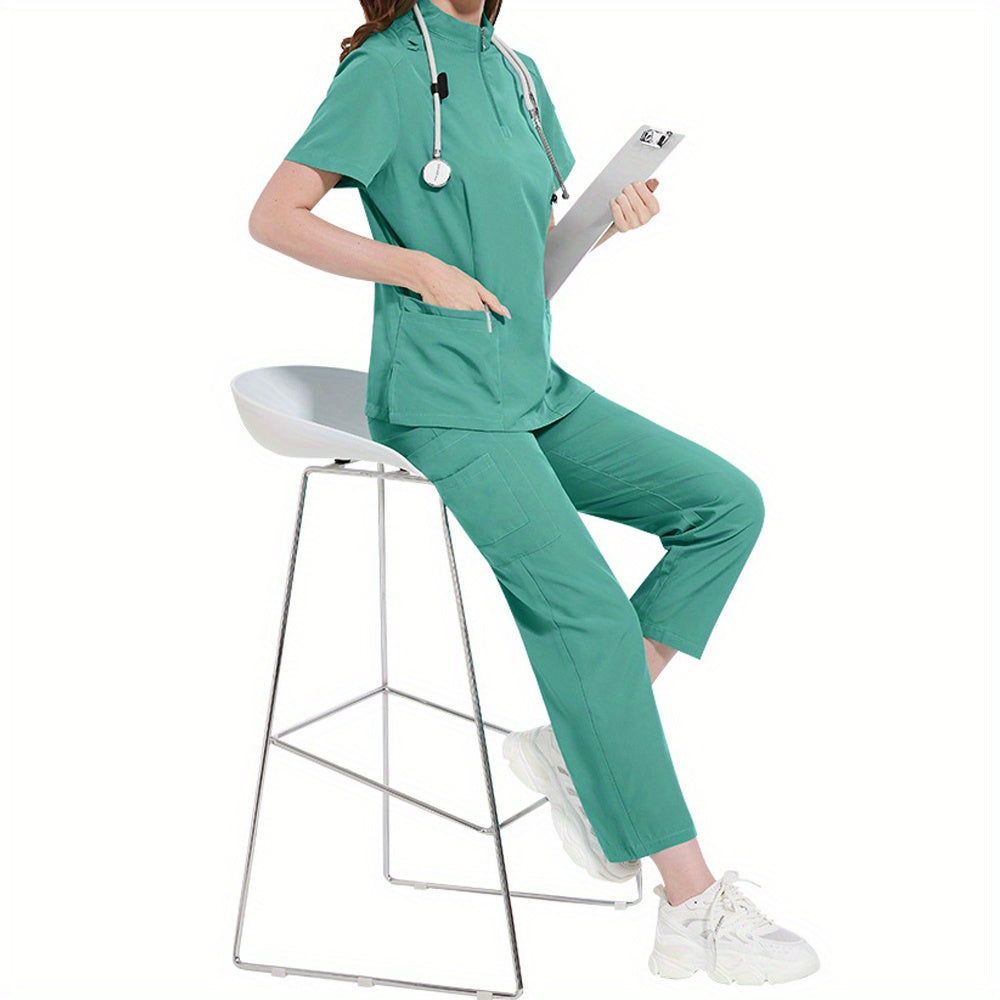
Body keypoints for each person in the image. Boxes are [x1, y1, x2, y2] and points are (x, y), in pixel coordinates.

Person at [248, 0, 820, 985]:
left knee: (725, 505)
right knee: (588, 614)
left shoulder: (517, 72)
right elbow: (274, 216)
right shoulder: (386, 70)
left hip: (529, 385)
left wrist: (607, 226)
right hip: (442, 402)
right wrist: (413, 268)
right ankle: (689, 905)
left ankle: (572, 741)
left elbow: (532, 255)